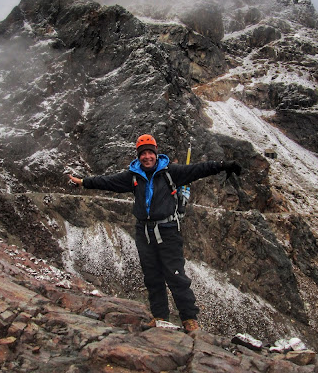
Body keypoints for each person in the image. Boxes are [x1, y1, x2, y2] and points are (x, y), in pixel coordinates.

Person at [68, 134, 241, 333]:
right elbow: (107, 182)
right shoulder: (132, 176)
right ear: (138, 156)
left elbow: (198, 169)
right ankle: (160, 317)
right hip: (144, 233)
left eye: (150, 152)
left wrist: (223, 165)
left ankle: (189, 320)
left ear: (156, 153)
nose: (147, 157)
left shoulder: (171, 172)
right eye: (143, 154)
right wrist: (82, 182)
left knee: (176, 276)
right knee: (152, 277)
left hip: (168, 231)